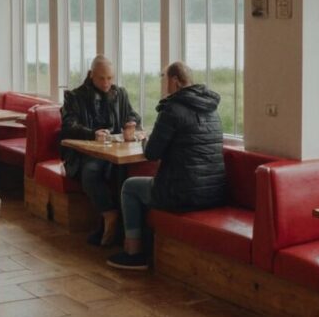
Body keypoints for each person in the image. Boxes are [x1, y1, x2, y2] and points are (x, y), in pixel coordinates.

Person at [107, 61, 225, 270]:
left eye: (164, 78)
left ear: (175, 81)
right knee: (149, 184)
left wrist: (144, 139)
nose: (163, 83)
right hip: (215, 193)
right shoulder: (212, 110)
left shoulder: (172, 109)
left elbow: (152, 154)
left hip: (182, 194)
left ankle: (134, 252)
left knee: (130, 187)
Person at [61, 55, 141, 246]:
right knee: (92, 172)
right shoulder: (74, 96)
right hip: (85, 154)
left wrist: (131, 124)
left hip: (115, 152)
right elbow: (68, 126)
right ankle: (109, 214)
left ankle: (120, 229)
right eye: (101, 78)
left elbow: (133, 116)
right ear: (91, 75)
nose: (106, 83)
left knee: (122, 171)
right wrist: (92, 134)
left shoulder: (120, 94)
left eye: (110, 78)